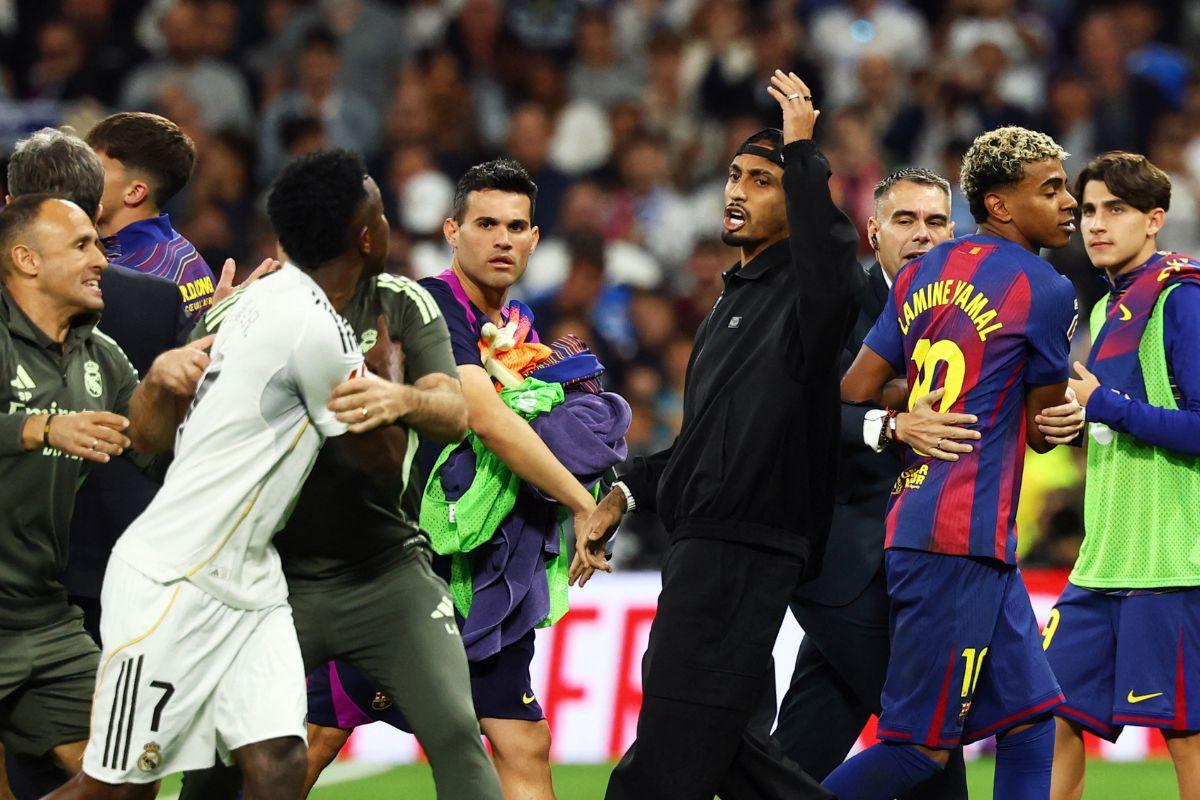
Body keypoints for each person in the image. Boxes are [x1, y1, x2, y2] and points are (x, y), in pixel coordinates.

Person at [41, 151, 384, 800]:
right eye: (381, 213)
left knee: (280, 762)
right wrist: (400, 390)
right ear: (363, 234)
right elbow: (381, 461)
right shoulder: (310, 323)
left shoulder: (267, 303)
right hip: (175, 577)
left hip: (248, 580)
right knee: (112, 788)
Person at [183, 149, 502, 800]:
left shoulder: (402, 303)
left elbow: (453, 412)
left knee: (456, 735)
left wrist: (400, 397)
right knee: (214, 761)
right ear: (364, 235)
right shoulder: (243, 317)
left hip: (387, 579)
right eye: (382, 213)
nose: (389, 225)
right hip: (267, 585)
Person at [580, 71, 863, 800]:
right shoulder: (728, 307)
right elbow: (703, 446)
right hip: (704, 548)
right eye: (735, 175)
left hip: (742, 553)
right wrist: (623, 493)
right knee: (737, 761)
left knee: (664, 764)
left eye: (762, 181)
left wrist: (803, 154)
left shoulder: (806, 298)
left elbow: (834, 263)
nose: (738, 191)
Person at [827, 125, 1085, 800]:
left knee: (1031, 718)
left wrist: (911, 409)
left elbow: (855, 392)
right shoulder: (1046, 289)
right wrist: (1058, 417)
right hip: (956, 540)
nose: (1069, 204)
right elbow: (1039, 427)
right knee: (919, 751)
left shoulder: (918, 273)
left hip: (938, 525)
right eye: (1051, 189)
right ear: (1000, 205)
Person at [767, 168, 971, 800]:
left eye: (936, 222)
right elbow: (798, 413)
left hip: (917, 561)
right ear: (874, 231)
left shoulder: (967, 314)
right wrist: (888, 424)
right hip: (848, 562)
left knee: (803, 750)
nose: (922, 235)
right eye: (905, 221)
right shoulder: (836, 305)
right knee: (927, 735)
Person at [0, 194, 209, 796]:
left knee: (132, 770)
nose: (101, 259)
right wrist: (40, 426)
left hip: (40, 611)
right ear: (27, 259)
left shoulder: (101, 353)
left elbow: (147, 447)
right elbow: (43, 429)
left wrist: (170, 384)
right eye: (83, 245)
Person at [1044, 152, 1200, 800]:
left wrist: (1101, 405)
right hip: (1100, 563)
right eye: (1087, 211)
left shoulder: (1183, 302)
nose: (1096, 224)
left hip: (1169, 562)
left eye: (1116, 210)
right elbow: (1120, 420)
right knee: (1052, 719)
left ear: (1155, 219)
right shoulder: (1107, 311)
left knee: (1186, 739)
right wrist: (1076, 423)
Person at [85, 112, 217, 321]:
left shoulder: (127, 279)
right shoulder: (187, 253)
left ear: (135, 192)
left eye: (93, 169)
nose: (80, 178)